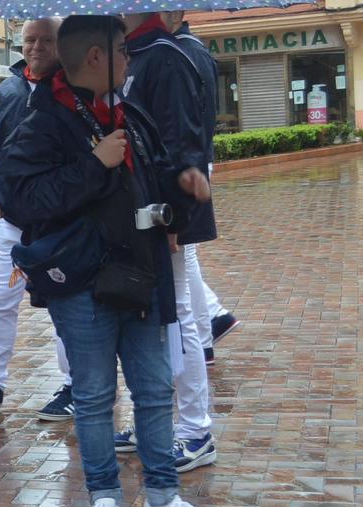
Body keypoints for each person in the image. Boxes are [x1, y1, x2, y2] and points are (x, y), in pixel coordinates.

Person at [0, 15, 220, 507]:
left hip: (139, 273)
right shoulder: (44, 119)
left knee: (153, 389)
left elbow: (154, 164)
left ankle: (164, 500)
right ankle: (104, 501)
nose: (130, 55)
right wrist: (94, 164)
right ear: (97, 57)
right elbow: (21, 198)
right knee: (94, 397)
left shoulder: (127, 110)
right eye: (122, 49)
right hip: (82, 283)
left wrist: (181, 178)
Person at [114, 12, 219, 474]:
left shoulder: (165, 57)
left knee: (179, 319)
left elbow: (182, 143)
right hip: (133, 212)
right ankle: (154, 420)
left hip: (162, 216)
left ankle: (196, 429)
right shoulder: (130, 55)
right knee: (152, 321)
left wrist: (174, 218)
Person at [0, 17, 74, 420]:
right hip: (13, 221)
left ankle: (73, 385)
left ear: (61, 44)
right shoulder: (6, 92)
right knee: (1, 301)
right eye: (30, 40)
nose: (36, 47)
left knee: (64, 305)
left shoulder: (71, 93)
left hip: (60, 224)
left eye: (46, 40)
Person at [165, 10, 242, 364]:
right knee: (185, 253)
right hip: (196, 159)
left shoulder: (180, 52)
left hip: (190, 163)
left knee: (182, 251)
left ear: (178, 13)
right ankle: (212, 319)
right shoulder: (194, 49)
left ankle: (207, 326)